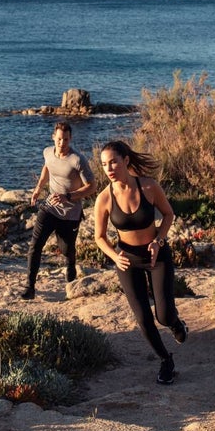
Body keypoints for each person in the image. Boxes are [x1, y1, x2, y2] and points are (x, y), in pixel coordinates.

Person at [93, 140, 188, 385]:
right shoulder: (104, 198)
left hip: (156, 255)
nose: (109, 168)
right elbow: (99, 237)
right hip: (127, 261)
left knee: (164, 316)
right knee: (143, 319)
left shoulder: (148, 186)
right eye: (104, 164)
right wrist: (115, 256)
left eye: (113, 161)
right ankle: (166, 361)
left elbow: (168, 214)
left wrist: (159, 240)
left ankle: (177, 324)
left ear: (125, 160)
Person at [23, 121, 96, 300]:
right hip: (49, 207)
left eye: (65, 139)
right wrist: (38, 189)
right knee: (35, 245)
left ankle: (71, 284)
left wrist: (68, 197)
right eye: (58, 139)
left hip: (70, 213)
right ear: (53, 137)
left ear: (70, 139)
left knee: (67, 252)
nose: (61, 143)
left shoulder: (77, 160)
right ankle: (29, 287)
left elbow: (92, 187)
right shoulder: (47, 152)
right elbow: (47, 167)